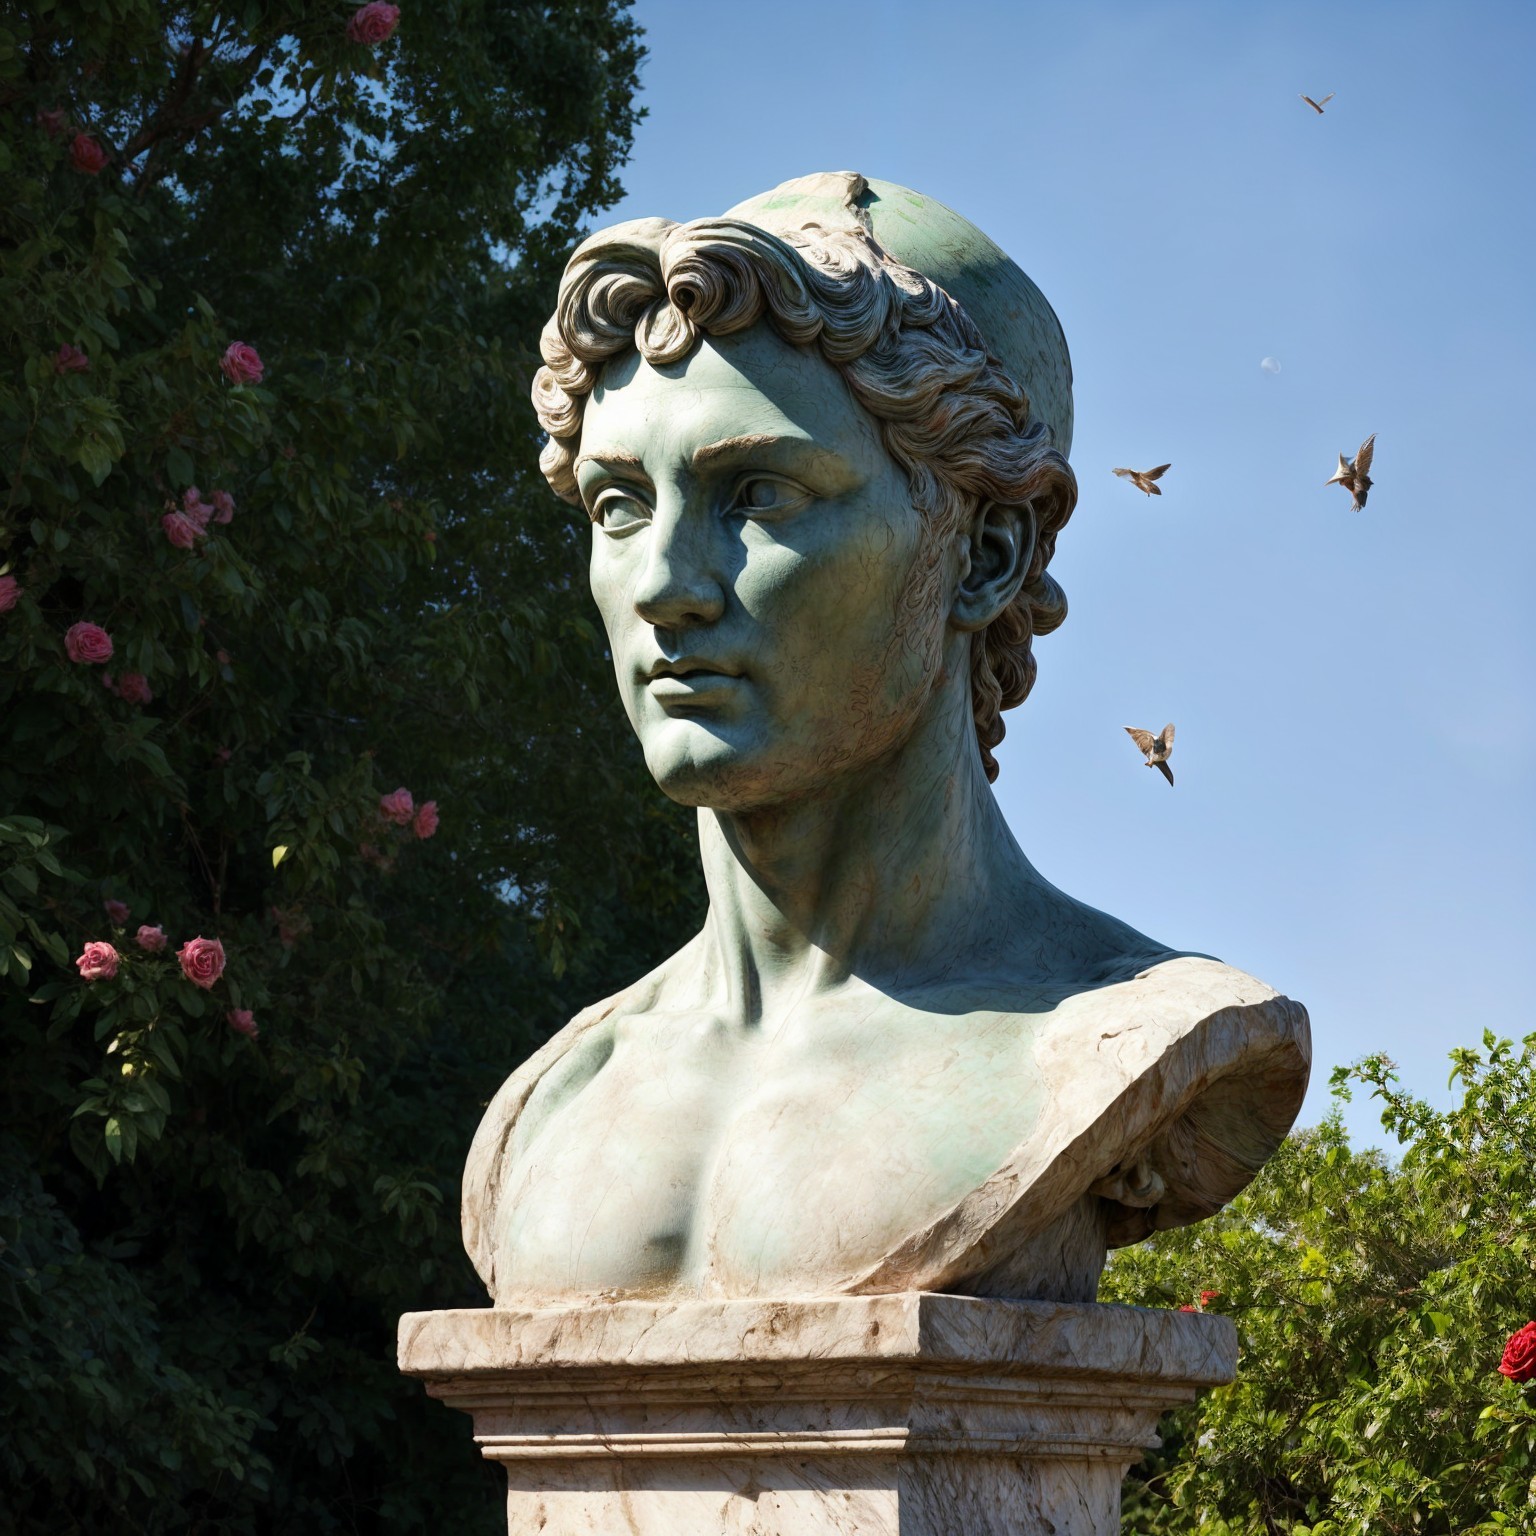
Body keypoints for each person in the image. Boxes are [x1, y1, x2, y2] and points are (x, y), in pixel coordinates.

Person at [462, 173, 1310, 1305]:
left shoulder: (1130, 1038)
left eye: (757, 494)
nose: (666, 585)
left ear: (986, 552)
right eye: (620, 505)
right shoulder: (550, 1108)